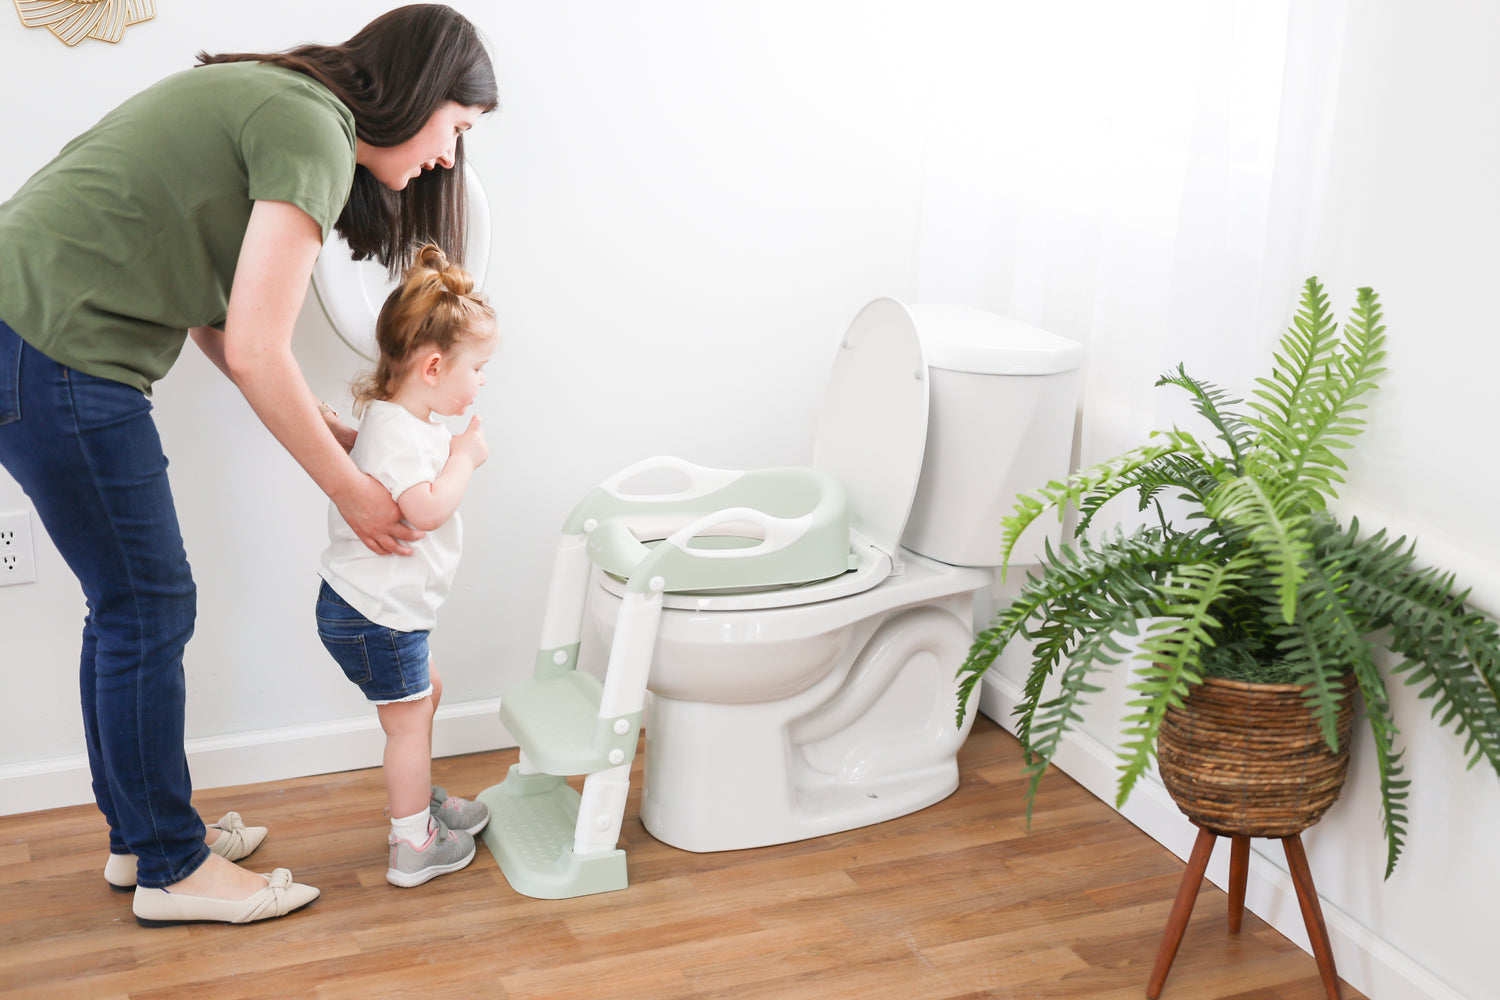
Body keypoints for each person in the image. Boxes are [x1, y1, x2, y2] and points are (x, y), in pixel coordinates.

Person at [0, 5, 497, 926]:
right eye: (457, 129)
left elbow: (221, 324)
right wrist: (352, 492)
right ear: (423, 92)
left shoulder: (278, 101)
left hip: (32, 334)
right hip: (55, 346)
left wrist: (330, 434)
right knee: (148, 607)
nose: (446, 159)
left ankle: (141, 835)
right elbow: (261, 350)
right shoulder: (313, 127)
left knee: (126, 607)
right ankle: (171, 869)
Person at [316, 243, 495, 888]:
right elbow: (423, 510)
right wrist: (465, 460)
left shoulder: (395, 420)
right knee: (408, 723)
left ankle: (418, 798)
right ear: (435, 365)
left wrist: (342, 433)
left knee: (425, 697)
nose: (481, 383)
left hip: (378, 611)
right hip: (376, 615)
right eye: (477, 369)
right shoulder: (400, 430)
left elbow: (376, 456)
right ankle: (413, 843)